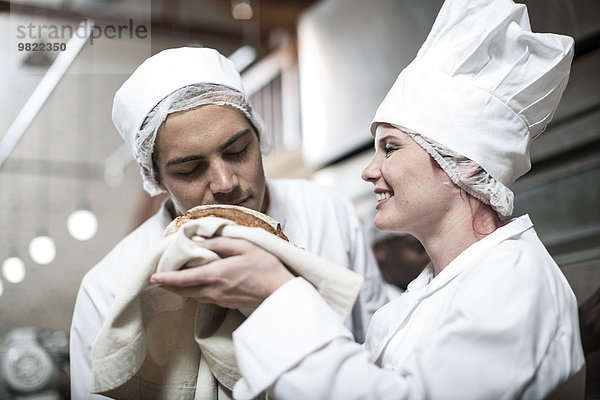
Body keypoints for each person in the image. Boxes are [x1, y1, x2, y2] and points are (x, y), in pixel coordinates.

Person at [149, 0, 586, 398]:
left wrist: (275, 295)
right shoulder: (428, 292)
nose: (369, 170)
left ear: (467, 163)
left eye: (391, 148)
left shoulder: (511, 284)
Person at [69, 47, 387, 399]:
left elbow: (377, 346)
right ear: (156, 179)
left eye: (237, 151)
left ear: (258, 133)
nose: (225, 183)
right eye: (190, 170)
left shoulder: (326, 213)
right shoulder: (111, 287)